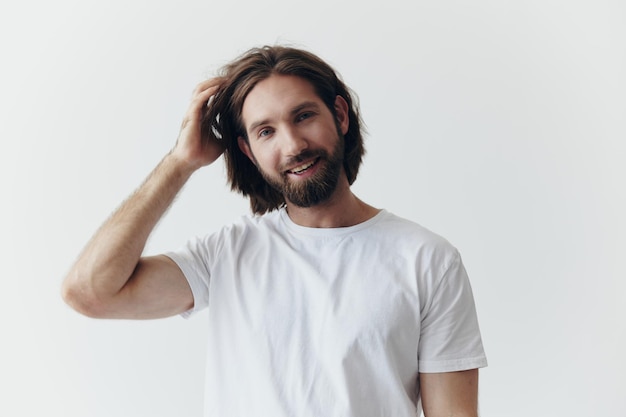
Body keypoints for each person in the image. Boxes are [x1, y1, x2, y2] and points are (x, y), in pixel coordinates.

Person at [62, 45, 487, 417]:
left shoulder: (426, 258)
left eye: (303, 116)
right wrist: (181, 161)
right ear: (248, 150)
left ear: (339, 115)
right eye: (266, 131)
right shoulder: (227, 254)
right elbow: (90, 292)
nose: (293, 144)